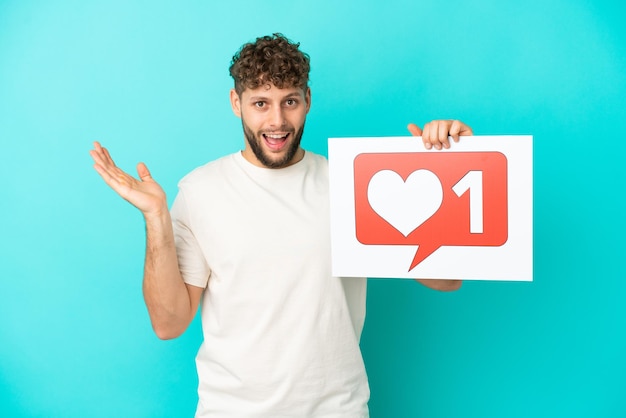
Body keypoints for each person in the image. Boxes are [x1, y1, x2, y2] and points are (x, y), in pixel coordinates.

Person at [90, 33, 472, 417]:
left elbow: (446, 280)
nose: (277, 121)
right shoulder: (200, 191)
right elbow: (168, 323)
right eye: (261, 103)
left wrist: (447, 165)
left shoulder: (354, 185)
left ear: (307, 101)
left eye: (289, 101)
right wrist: (155, 217)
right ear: (236, 103)